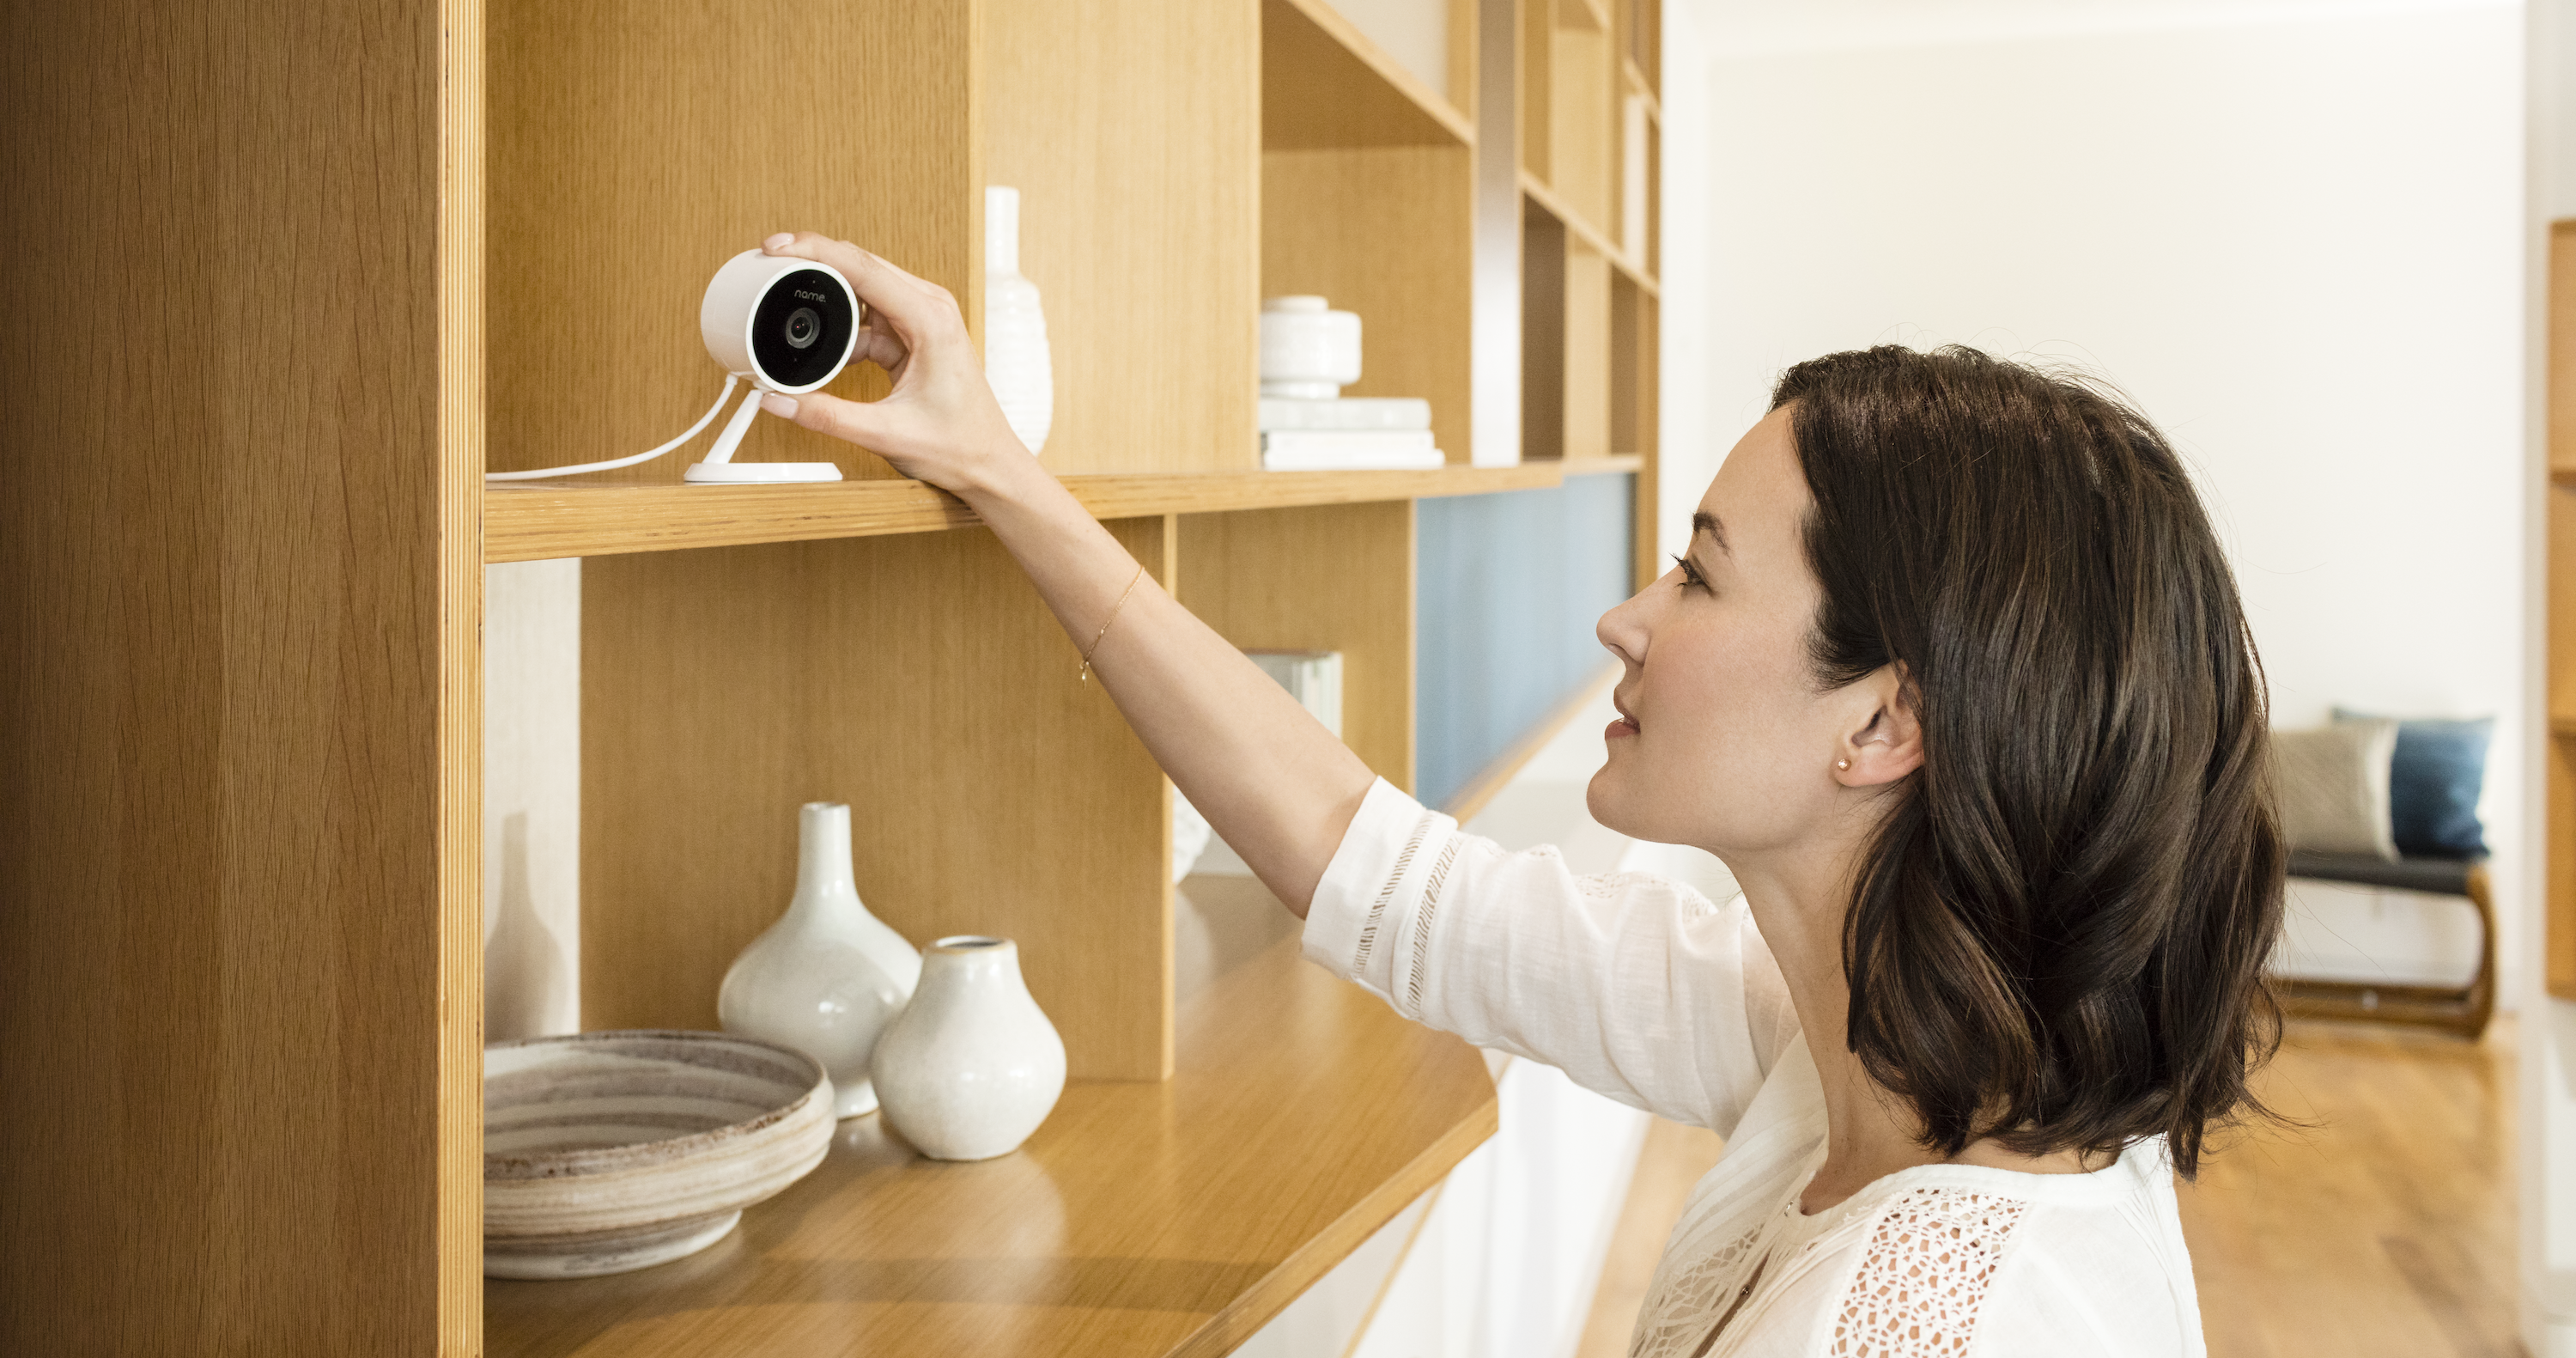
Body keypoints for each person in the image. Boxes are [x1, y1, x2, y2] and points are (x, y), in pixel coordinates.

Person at [750, 232, 2281, 1357]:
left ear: (1885, 721)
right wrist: (1008, 475)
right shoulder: (1868, 1047)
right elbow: (1385, 875)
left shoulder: (1919, 1324)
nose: (1629, 615)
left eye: (1697, 572)